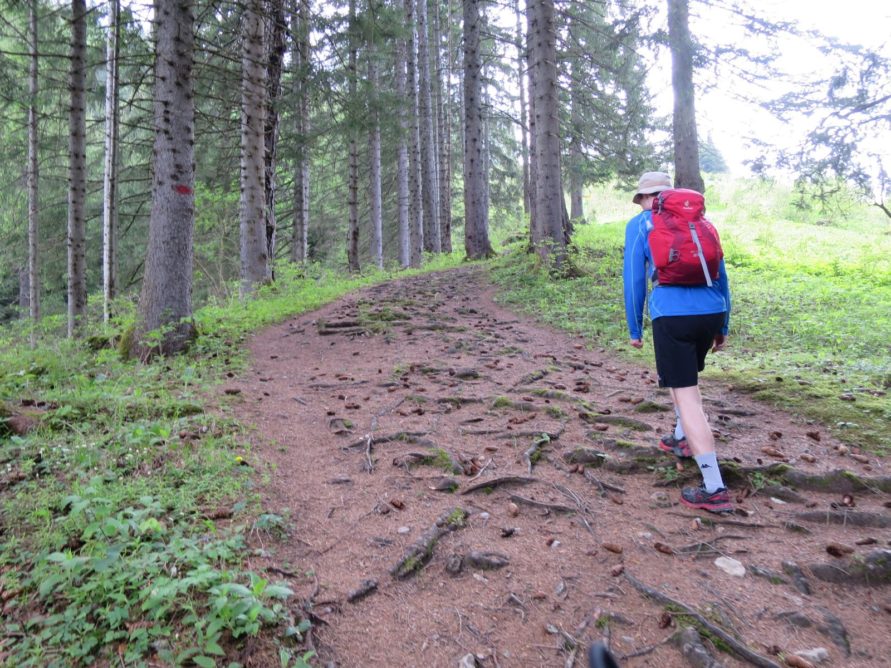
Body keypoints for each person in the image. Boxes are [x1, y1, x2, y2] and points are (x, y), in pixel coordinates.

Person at [622, 171, 732, 513]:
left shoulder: (641, 224)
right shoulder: (702, 222)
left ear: (645, 198)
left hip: (672, 314)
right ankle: (681, 439)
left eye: (641, 199)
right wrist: (722, 325)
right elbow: (721, 275)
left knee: (687, 397)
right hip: (711, 311)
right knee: (683, 379)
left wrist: (634, 328)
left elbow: (633, 279)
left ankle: (714, 487)